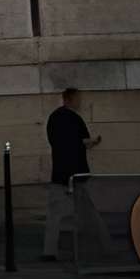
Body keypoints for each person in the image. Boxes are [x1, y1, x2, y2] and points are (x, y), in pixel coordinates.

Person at [43, 87, 96, 262]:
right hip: (77, 171)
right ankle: (103, 246)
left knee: (54, 214)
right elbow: (85, 142)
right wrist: (95, 142)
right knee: (89, 211)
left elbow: (52, 141)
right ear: (71, 99)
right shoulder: (76, 119)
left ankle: (49, 251)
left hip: (59, 171)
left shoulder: (53, 118)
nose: (79, 102)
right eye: (78, 99)